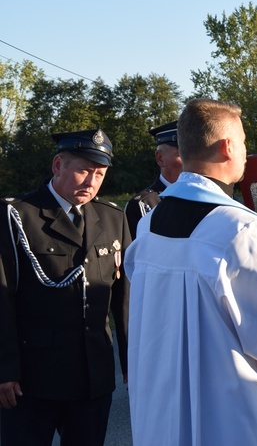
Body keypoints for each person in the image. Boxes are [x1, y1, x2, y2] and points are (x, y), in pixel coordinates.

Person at [124, 98, 257, 445]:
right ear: (227, 148)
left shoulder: (151, 224)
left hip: (166, 406)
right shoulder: (239, 228)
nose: (246, 152)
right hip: (230, 415)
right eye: (244, 142)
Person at [0, 129, 130, 446]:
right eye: (83, 170)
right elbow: (1, 298)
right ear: (58, 165)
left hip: (93, 377)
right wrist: (4, 369)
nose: (91, 182)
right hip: (33, 379)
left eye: (99, 173)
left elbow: (125, 301)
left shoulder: (112, 217)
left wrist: (132, 365)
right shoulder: (18, 215)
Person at [124, 120, 183, 238]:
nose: (191, 161)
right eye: (182, 155)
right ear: (160, 158)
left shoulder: (209, 197)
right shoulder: (143, 205)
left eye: (193, 155)